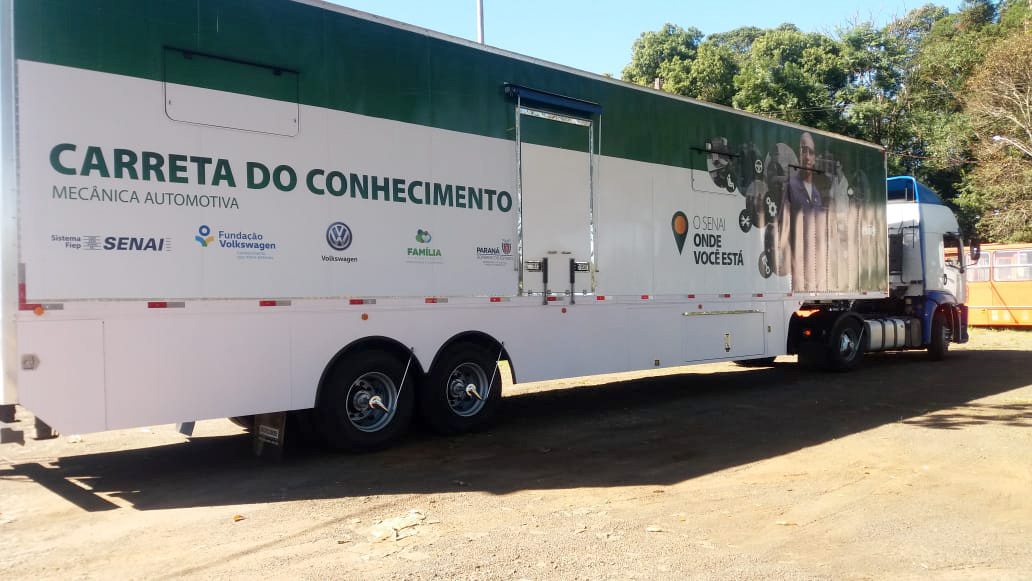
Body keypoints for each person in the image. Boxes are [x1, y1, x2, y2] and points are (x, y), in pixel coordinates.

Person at [785, 132, 825, 291]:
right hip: (795, 274)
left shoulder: (817, 194)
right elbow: (782, 230)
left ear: (815, 158)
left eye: (811, 152)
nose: (807, 157)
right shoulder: (790, 186)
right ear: (798, 154)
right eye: (803, 150)